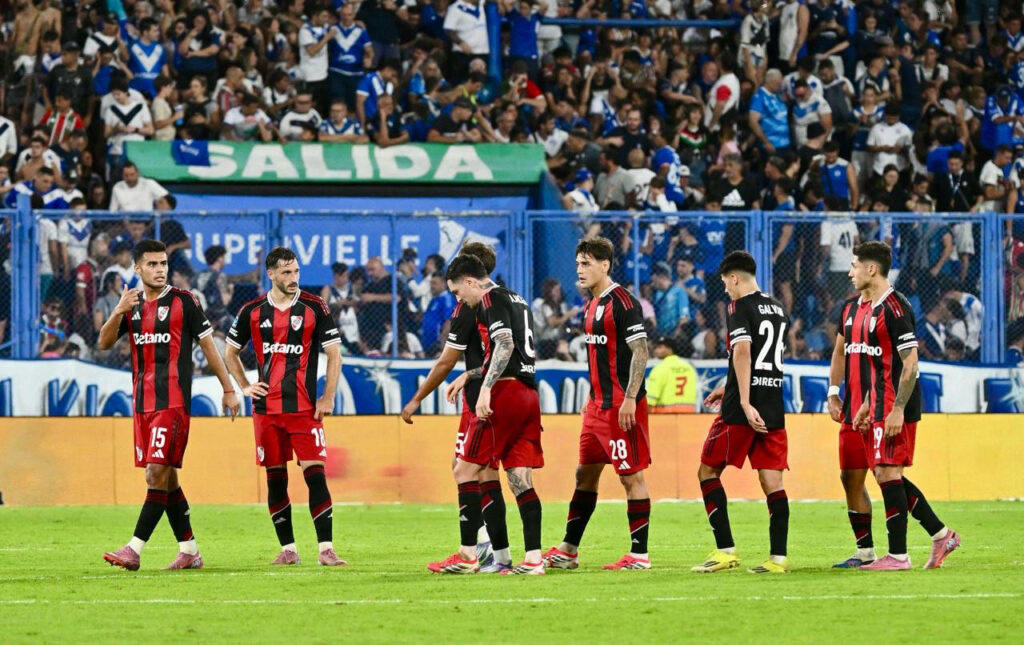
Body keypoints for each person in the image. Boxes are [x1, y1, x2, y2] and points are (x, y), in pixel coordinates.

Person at [99, 240, 240, 571]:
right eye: (152, 264)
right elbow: (104, 343)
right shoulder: (130, 305)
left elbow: (208, 345)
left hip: (173, 403)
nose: (160, 269)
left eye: (163, 263)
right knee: (169, 479)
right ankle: (189, 551)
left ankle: (134, 549)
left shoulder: (184, 301)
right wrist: (118, 310)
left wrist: (228, 388)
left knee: (155, 473)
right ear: (137, 268)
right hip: (142, 404)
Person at [223, 247, 346, 567]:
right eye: (286, 273)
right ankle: (289, 549)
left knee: (315, 475)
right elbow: (229, 352)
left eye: (296, 272)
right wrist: (245, 386)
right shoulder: (251, 310)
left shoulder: (315, 306)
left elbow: (334, 354)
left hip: (304, 409)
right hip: (266, 411)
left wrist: (328, 396)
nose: (293, 278)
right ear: (272, 274)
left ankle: (326, 549)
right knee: (275, 480)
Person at [843, 242, 962, 571]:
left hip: (897, 404)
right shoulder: (871, 308)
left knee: (888, 472)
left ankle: (898, 555)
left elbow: (910, 365)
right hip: (880, 402)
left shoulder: (895, 308)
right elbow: (881, 363)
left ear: (872, 269)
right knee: (885, 473)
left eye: (855, 265)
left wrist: (896, 409)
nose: (850, 272)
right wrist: (868, 403)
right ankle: (941, 535)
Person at [401, 243, 513, 574]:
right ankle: (495, 551)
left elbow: (447, 359)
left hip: (482, 398)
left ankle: (477, 549)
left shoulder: (469, 305)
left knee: (469, 470)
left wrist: (418, 397)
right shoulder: (505, 297)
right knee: (478, 469)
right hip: (497, 393)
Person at [540, 237, 651, 571]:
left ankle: (639, 555)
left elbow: (641, 351)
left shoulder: (624, 302)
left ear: (605, 265)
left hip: (622, 406)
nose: (580, 269)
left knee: (631, 477)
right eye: (577, 263)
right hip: (597, 407)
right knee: (584, 474)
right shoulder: (590, 304)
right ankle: (568, 550)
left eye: (586, 263)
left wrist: (630, 398)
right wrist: (591, 400)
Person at [430, 254, 544, 575]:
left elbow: (504, 343)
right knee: (518, 478)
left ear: (469, 281)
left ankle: (469, 555)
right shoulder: (517, 298)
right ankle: (527, 559)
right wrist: (471, 375)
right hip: (527, 393)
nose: (458, 299)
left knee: (465, 471)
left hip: (504, 394)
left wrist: (485, 387)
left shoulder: (489, 297)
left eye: (457, 292)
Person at [693, 251, 791, 574]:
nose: (726, 291)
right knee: (772, 481)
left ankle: (725, 550)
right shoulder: (778, 309)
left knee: (707, 472)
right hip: (773, 405)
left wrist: (743, 400)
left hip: (742, 410)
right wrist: (729, 384)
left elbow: (745, 352)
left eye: (725, 284)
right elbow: (763, 357)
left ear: (735, 278)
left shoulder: (739, 307)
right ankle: (778, 559)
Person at [646, 336, 699, 413]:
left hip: (665, 414)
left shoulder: (660, 368)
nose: (656, 350)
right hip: (689, 413)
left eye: (660, 347)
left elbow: (651, 399)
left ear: (670, 349)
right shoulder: (689, 367)